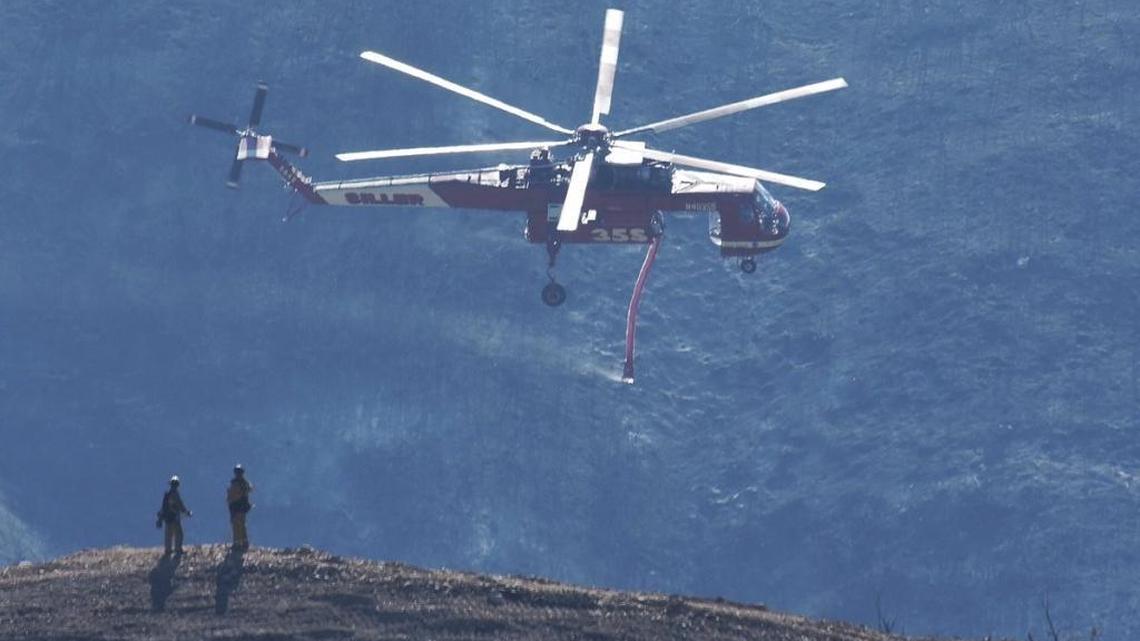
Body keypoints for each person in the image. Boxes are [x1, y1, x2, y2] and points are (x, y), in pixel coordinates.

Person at [156, 476, 191, 555]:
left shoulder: (167, 495)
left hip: (167, 519)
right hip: (174, 518)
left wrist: (160, 518)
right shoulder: (175, 494)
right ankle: (178, 549)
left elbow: (163, 507)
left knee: (168, 535)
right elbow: (180, 505)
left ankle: (168, 550)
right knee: (179, 534)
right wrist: (186, 512)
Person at [226, 464, 254, 550]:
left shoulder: (236, 484)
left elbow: (232, 496)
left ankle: (237, 543)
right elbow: (250, 489)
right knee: (241, 525)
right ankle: (244, 542)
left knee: (236, 525)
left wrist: (229, 498)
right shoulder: (244, 483)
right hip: (242, 507)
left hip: (236, 507)